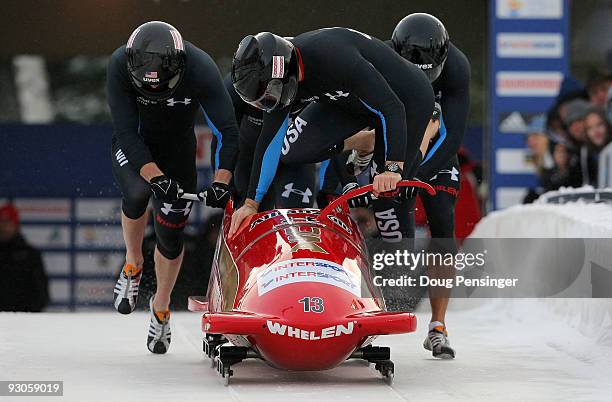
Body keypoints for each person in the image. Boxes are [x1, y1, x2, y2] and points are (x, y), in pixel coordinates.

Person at [106, 21, 239, 354]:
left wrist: (222, 180)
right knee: (137, 193)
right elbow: (125, 132)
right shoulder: (119, 64)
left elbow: (227, 129)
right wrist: (155, 177)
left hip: (178, 152)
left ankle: (161, 305)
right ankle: (133, 262)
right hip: (136, 144)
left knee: (170, 235)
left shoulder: (201, 67)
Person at [228, 27, 435, 237]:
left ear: (285, 72)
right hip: (347, 99)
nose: (267, 104)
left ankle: (399, 267)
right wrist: (251, 204)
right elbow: (269, 140)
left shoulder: (333, 57)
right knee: (294, 150)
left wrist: (392, 168)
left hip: (407, 101)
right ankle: (366, 141)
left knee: (386, 196)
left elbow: (392, 108)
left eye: (268, 95)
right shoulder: (279, 76)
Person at [384, 13, 470, 359]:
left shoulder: (457, 67)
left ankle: (437, 325)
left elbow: (451, 136)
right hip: (395, 147)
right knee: (388, 222)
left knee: (443, 224)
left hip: (435, 150)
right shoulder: (383, 57)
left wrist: (418, 173)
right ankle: (368, 302)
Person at [223, 74, 318, 209]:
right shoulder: (234, 89)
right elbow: (225, 137)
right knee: (249, 218)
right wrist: (223, 183)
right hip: (251, 162)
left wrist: (332, 185)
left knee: (294, 219)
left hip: (295, 162)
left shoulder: (310, 86)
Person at [0, 203, 49, 312]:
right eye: (1, 222)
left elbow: (42, 295)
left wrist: (24, 317)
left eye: (7, 222)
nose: (3, 227)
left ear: (16, 225)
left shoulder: (30, 255)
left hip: (23, 322)